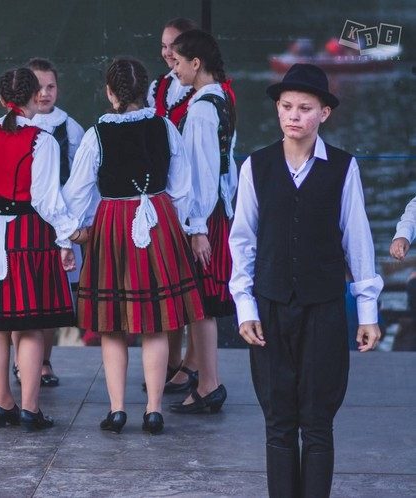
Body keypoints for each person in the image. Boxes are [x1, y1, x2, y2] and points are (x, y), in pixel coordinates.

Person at [228, 63, 382, 497]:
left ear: (324, 114)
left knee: (317, 421)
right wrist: (245, 306)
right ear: (277, 109)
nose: (293, 115)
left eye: (305, 108)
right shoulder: (256, 166)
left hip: (324, 307)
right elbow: (243, 241)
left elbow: (358, 240)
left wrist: (367, 312)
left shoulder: (343, 168)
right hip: (270, 305)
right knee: (278, 421)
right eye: (286, 106)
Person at [62, 58, 205, 434]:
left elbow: (76, 194)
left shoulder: (96, 134)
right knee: (154, 322)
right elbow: (182, 189)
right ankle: (154, 410)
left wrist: (72, 235)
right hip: (159, 219)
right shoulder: (165, 127)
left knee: (112, 324)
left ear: (110, 92)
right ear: (146, 92)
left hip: (112, 223)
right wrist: (174, 226)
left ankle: (117, 410)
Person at [0, 67, 82, 432]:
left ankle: (3, 403)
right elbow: (47, 201)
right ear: (35, 97)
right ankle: (30, 408)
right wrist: (66, 239)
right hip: (29, 234)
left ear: (2, 100)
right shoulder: (42, 141)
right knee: (30, 325)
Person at [167, 29, 237, 415]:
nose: (174, 69)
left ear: (196, 63)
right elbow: (228, 169)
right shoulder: (221, 99)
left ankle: (209, 384)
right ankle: (202, 378)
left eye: (178, 62)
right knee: (202, 300)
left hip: (204, 218)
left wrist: (197, 228)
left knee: (201, 301)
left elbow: (201, 174)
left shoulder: (200, 111)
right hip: (216, 212)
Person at [8, 57, 86, 388]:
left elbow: (80, 180)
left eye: (50, 86)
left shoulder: (71, 129)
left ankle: (43, 361)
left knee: (54, 295)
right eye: (38, 87)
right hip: (22, 223)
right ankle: (20, 362)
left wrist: (70, 228)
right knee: (20, 295)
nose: (44, 93)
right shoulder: (9, 125)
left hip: (57, 225)